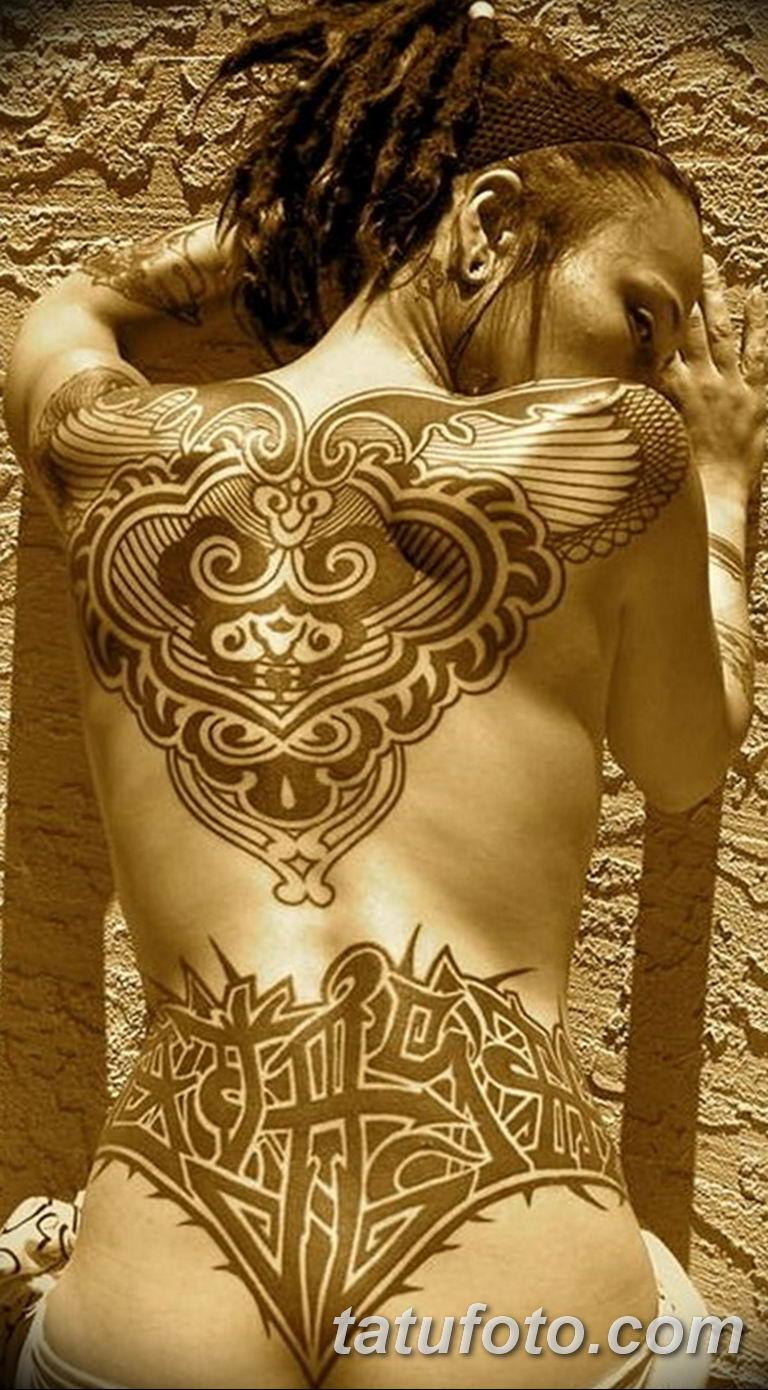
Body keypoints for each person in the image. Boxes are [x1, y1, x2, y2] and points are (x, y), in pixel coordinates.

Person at [1, 1, 765, 1387]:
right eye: (640, 314)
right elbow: (685, 757)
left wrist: (294, 228)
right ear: (489, 223)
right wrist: (719, 492)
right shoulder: (627, 447)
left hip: (154, 1318)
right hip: (510, 1320)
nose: (651, 367)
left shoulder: (108, 441)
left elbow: (68, 310)